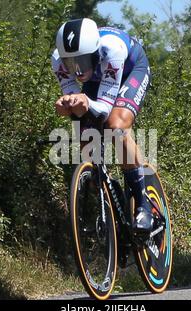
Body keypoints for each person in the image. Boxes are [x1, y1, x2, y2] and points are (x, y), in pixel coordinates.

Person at [51, 18, 153, 234]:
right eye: (71, 64)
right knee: (88, 143)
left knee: (115, 126)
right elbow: (77, 105)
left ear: (95, 52)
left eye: (83, 61)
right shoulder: (58, 61)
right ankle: (109, 189)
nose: (78, 71)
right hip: (99, 76)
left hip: (130, 70)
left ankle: (144, 205)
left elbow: (105, 109)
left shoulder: (111, 49)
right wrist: (67, 105)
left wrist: (86, 102)